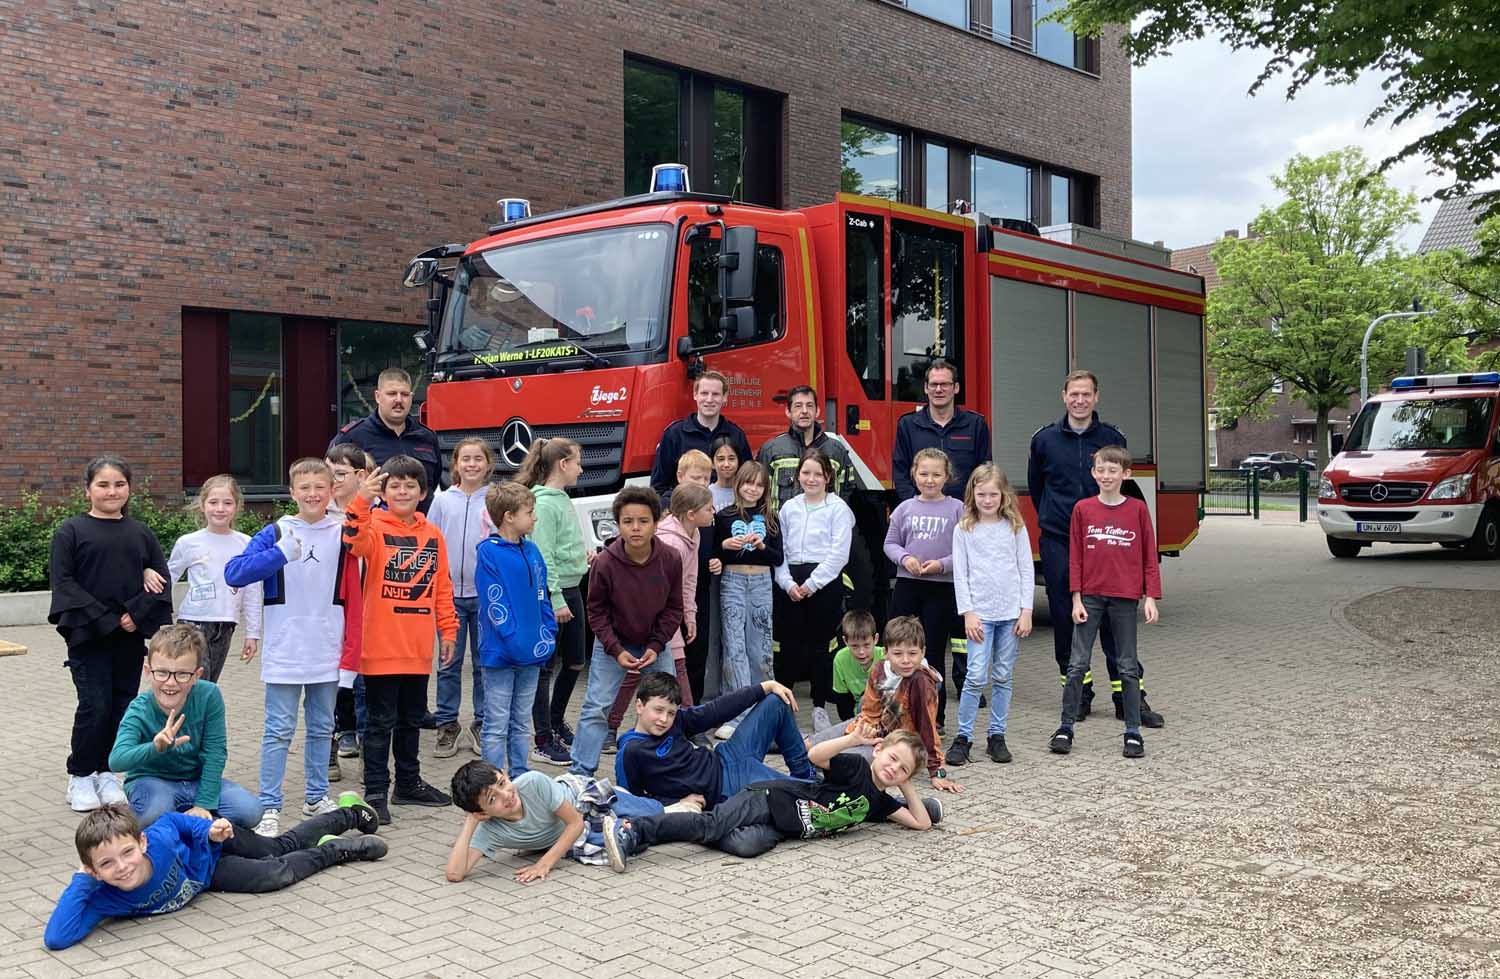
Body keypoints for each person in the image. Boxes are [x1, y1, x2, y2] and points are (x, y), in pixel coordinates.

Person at [43, 799, 385, 950]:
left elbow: (175, 821)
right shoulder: (103, 896)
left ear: (141, 843)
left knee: (277, 848)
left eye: (127, 852)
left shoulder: (158, 841)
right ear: (93, 870)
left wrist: (208, 831)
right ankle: (335, 851)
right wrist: (81, 880)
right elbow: (57, 938)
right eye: (105, 864)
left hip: (215, 845)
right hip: (208, 878)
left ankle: (348, 815)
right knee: (274, 875)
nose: (122, 867)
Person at [1027, 369, 1164, 727]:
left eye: (1086, 394)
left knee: (1115, 619)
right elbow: (1037, 486)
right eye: (1074, 394)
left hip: (1107, 542)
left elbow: (1124, 491)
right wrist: (1059, 518)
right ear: (1064, 396)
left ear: (1096, 397)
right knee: (1065, 618)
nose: (1080, 400)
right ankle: (1079, 694)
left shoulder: (1111, 437)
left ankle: (1128, 697)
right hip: (1059, 539)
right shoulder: (1044, 440)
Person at [224, 458, 349, 837]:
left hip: (328, 644)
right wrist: (279, 553)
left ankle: (316, 795)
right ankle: (269, 805)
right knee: (278, 730)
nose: (312, 494)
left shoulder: (345, 530)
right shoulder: (276, 530)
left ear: (332, 490)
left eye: (319, 487)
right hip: (286, 647)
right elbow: (234, 572)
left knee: (322, 726)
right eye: (304, 488)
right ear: (292, 492)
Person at [601, 729, 934, 867]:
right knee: (712, 826)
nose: (893, 769)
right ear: (878, 750)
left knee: (746, 847)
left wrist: (907, 787)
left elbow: (921, 823)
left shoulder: (880, 802)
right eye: (892, 758)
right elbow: (816, 755)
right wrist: (851, 739)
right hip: (771, 799)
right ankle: (634, 830)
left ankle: (703, 821)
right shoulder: (855, 767)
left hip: (784, 829)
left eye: (902, 769)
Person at [49, 456, 174, 813]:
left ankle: (107, 772)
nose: (111, 491)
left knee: (122, 705)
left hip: (129, 638)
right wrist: (108, 618)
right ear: (88, 489)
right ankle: (81, 774)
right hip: (89, 637)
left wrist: (135, 615)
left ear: (128, 489)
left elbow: (160, 581)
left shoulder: (140, 534)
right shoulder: (70, 532)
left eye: (119, 484)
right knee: (94, 705)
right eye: (103, 484)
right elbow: (65, 584)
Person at [342, 455, 459, 822]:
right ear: (384, 491)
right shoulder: (374, 527)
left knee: (410, 721)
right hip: (379, 648)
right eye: (395, 485)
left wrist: (449, 629)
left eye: (411, 485)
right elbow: (354, 541)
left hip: (418, 648)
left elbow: (441, 586)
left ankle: (408, 783)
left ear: (423, 492)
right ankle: (375, 792)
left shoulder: (432, 535)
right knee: (378, 724)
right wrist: (361, 499)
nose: (404, 491)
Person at [1050, 446, 1161, 760]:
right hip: (1090, 597)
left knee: (1127, 667)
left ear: (1126, 474)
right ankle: (1066, 727)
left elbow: (1149, 556)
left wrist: (1150, 595)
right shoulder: (1083, 509)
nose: (1107, 476)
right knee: (1077, 664)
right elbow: (1076, 558)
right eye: (1102, 470)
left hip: (1125, 598)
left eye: (1114, 471)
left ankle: (1133, 731)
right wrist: (1076, 597)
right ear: (1093, 473)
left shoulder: (1137, 509)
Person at [567, 486, 684, 778]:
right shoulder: (605, 563)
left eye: (643, 521)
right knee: (597, 706)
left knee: (667, 705)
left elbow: (674, 608)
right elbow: (596, 612)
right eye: (628, 521)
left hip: (654, 645)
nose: (636, 528)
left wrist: (656, 646)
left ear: (656, 523)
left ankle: (666, 770)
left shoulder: (670, 559)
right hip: (613, 645)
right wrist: (616, 650)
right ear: (617, 524)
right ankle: (580, 775)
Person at [109, 624, 262, 830]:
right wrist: (155, 747)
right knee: (153, 813)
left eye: (182, 674)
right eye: (162, 672)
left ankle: (190, 824)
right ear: (148, 671)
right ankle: (190, 826)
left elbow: (215, 753)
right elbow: (116, 761)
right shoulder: (139, 708)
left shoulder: (209, 696)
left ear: (197, 675)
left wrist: (203, 804)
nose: (170, 683)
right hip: (153, 780)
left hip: (195, 780)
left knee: (250, 810)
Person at [756, 384, 877, 616]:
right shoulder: (772, 449)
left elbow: (846, 490)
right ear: (788, 412)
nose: (804, 411)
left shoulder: (836, 450)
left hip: (825, 543)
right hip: (783, 541)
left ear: (818, 411)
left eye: (809, 406)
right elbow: (761, 492)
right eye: (798, 406)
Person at [444, 760, 671, 883]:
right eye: (492, 799)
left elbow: (575, 823)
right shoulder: (490, 829)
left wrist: (543, 864)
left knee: (657, 811)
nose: (506, 795)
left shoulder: (533, 783)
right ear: (482, 813)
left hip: (585, 799)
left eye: (502, 783)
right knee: (623, 838)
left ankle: (683, 803)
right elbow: (455, 874)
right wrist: (471, 822)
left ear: (505, 774)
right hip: (577, 831)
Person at [810, 615, 963, 794]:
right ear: (885, 652)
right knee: (809, 746)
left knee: (830, 759)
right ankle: (810, 733)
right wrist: (860, 734)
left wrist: (937, 771)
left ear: (922, 652)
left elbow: (927, 727)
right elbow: (869, 711)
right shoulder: (879, 669)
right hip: (873, 730)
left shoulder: (921, 682)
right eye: (898, 653)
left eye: (913, 653)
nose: (906, 660)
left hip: (896, 745)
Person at [607, 484, 714, 739]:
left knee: (671, 670)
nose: (714, 513)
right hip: (651, 619)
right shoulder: (671, 542)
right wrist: (670, 623)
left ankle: (687, 724)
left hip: (669, 617)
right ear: (691, 514)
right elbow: (657, 589)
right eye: (709, 508)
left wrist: (690, 615)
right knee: (644, 672)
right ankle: (611, 727)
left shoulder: (694, 535)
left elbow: (689, 581)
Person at [616, 672, 816, 807]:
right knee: (808, 795)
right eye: (658, 710)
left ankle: (805, 772)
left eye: (670, 712)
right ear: (640, 706)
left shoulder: (676, 720)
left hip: (728, 755)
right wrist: (676, 805)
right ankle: (811, 786)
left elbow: (715, 711)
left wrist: (765, 687)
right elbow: (632, 802)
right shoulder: (631, 751)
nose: (664, 719)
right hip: (726, 786)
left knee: (776, 700)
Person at [946, 464, 1034, 767]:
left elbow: (1026, 568)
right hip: (980, 615)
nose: (987, 500)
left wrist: (1027, 610)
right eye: (981, 494)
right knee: (974, 676)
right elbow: (961, 574)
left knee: (1002, 676)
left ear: (1003, 495)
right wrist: (968, 612)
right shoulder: (964, 528)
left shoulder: (1015, 527)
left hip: (1010, 615)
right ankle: (964, 737)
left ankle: (997, 735)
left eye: (993, 494)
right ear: (973, 494)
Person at [473, 481, 557, 777]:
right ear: (509, 516)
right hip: (501, 654)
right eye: (529, 512)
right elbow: (495, 602)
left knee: (522, 720)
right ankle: (492, 780)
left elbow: (542, 594)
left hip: (532, 654)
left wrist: (548, 632)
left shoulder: (532, 550)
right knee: (496, 723)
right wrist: (514, 640)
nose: (534, 518)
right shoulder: (488, 552)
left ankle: (520, 777)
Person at [518, 437, 588, 767]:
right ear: (563, 464)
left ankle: (557, 721)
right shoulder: (544, 504)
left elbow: (562, 546)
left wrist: (583, 557)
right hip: (554, 596)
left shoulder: (561, 499)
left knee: (575, 660)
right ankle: (542, 738)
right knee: (545, 668)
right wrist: (556, 598)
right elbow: (543, 555)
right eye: (577, 462)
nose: (581, 468)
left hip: (572, 588)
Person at [884, 447, 965, 730]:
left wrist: (941, 565)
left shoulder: (957, 509)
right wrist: (905, 558)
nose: (929, 480)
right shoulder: (904, 509)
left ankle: (934, 717)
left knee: (931, 654)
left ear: (947, 477)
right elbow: (890, 543)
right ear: (914, 475)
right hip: (907, 584)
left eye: (936, 474)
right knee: (896, 647)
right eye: (924, 474)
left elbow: (966, 551)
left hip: (941, 589)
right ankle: (893, 712)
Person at [775, 450, 854, 732]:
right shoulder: (789, 508)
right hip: (791, 585)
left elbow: (838, 554)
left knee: (821, 648)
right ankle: (781, 712)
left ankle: (819, 709)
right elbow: (780, 551)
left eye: (818, 474)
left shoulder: (838, 509)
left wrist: (812, 584)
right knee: (788, 649)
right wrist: (786, 582)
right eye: (806, 473)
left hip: (823, 584)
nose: (811, 479)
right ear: (798, 476)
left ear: (828, 478)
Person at [427, 436, 496, 759]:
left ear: (488, 464)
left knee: (484, 663)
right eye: (465, 459)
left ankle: (482, 721)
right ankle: (447, 723)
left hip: (484, 595)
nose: (471, 464)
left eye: (477, 459)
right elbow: (430, 542)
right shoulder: (443, 501)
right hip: (449, 596)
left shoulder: (494, 499)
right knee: (449, 663)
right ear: (455, 464)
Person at [166, 474, 262, 683]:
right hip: (193, 623)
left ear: (237, 506)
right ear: (202, 504)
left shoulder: (247, 544)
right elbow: (168, 579)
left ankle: (200, 716)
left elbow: (253, 591)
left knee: (209, 685)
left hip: (226, 624)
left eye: (227, 503)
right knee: (195, 682)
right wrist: (160, 618)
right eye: (213, 502)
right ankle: (189, 716)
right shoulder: (188, 542)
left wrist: (252, 634)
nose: (220, 508)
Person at [712, 461, 783, 740]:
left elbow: (778, 558)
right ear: (738, 484)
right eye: (747, 483)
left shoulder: (771, 518)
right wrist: (724, 547)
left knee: (761, 648)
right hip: (733, 582)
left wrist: (763, 546)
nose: (752, 489)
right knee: (734, 648)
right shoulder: (724, 515)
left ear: (765, 488)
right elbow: (715, 554)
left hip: (762, 584)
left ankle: (764, 712)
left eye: (758, 484)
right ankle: (736, 713)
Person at [328, 367, 442, 512]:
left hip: (421, 528)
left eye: (405, 394)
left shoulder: (427, 437)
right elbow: (330, 480)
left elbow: (433, 482)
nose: (399, 400)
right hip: (372, 529)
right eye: (392, 394)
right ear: (377, 396)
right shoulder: (352, 437)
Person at [324, 444, 372, 783]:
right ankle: (326, 751)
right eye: (330, 474)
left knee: (367, 686)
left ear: (361, 476)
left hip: (368, 611)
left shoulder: (376, 512)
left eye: (340, 474)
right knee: (326, 684)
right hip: (326, 611)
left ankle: (372, 751)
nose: (333, 481)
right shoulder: (318, 511)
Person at [891, 359, 992, 501]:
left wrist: (973, 507)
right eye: (933, 384)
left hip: (965, 512)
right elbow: (900, 473)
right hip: (922, 514)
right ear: (926, 388)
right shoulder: (908, 425)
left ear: (956, 388)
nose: (938, 390)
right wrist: (915, 505)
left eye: (944, 384)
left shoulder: (976, 425)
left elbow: (985, 472)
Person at [648, 371, 752, 501]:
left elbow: (747, 480)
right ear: (695, 395)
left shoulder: (736, 435)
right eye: (704, 393)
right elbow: (659, 486)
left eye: (715, 394)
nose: (709, 399)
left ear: (724, 397)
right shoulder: (674, 435)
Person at [670, 449, 718, 704]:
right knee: (673, 662)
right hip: (667, 603)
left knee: (697, 655)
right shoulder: (672, 531)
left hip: (696, 593)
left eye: (706, 479)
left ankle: (693, 709)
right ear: (680, 476)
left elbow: (690, 578)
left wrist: (719, 557)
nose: (703, 484)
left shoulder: (699, 527)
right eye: (696, 478)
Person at [830, 609, 883, 722]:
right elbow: (842, 699)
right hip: (859, 714)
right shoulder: (840, 659)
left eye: (866, 645)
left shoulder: (886, 656)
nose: (861, 652)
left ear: (876, 639)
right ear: (845, 641)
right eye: (855, 646)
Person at [708, 436, 741, 511]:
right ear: (712, 463)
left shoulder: (746, 493)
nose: (726, 464)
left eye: (731, 459)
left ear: (738, 461)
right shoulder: (706, 494)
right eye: (721, 459)